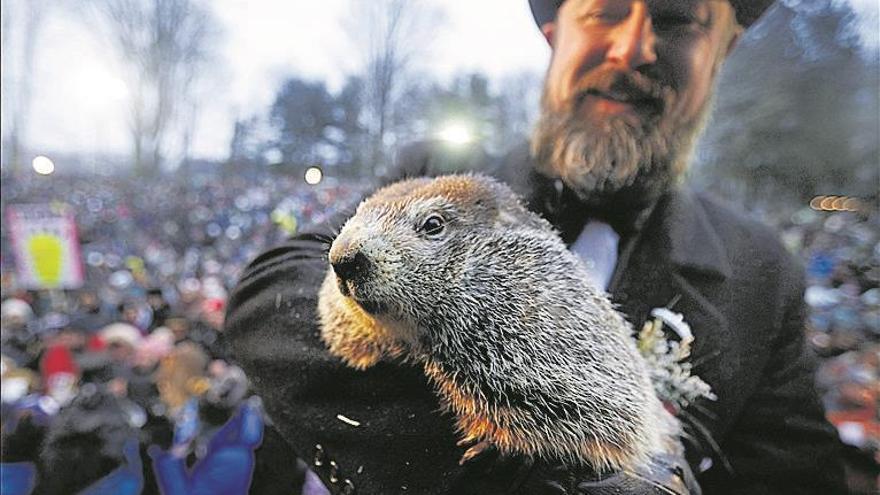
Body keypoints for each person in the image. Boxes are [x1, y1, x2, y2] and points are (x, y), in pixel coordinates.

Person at [224, 0, 846, 493]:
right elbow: (272, 292)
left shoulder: (760, 271)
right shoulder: (436, 170)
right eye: (604, 10)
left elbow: (792, 476)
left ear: (725, 46)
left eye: (677, 18)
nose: (632, 48)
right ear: (556, 29)